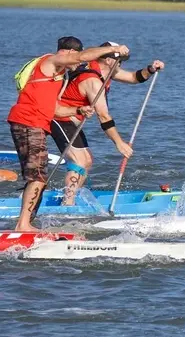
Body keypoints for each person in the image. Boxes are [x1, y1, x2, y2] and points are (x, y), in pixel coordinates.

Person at [8, 37, 128, 231]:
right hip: (29, 122)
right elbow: (84, 55)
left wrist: (77, 111)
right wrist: (110, 51)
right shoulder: (51, 60)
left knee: (39, 177)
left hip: (34, 123)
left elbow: (54, 109)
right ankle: (23, 226)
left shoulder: (56, 77)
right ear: (69, 53)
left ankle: (25, 223)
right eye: (77, 59)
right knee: (37, 177)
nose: (80, 63)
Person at [51, 41, 165, 205]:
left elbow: (133, 77)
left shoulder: (106, 71)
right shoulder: (92, 80)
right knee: (79, 161)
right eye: (120, 61)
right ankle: (67, 204)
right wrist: (119, 143)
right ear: (110, 60)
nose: (120, 65)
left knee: (87, 160)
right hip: (60, 119)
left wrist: (151, 69)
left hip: (71, 122)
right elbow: (103, 116)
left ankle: (70, 198)